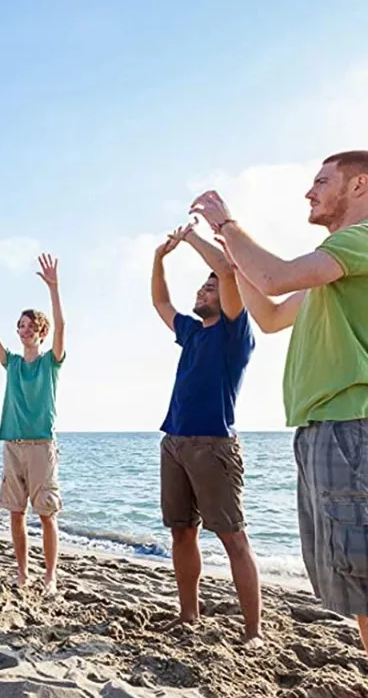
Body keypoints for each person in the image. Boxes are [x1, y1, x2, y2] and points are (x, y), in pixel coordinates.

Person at [191, 150, 368, 654]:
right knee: (356, 578)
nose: (309, 192)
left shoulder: (361, 240)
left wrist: (228, 223)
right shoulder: (335, 267)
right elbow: (268, 314)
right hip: (323, 428)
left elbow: (275, 277)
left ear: (359, 187)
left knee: (365, 574)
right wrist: (231, 257)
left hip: (351, 424)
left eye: (321, 181)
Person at [151, 221, 262, 645]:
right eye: (202, 286)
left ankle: (253, 632)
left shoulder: (236, 334)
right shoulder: (192, 332)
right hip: (174, 442)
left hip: (214, 446)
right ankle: (188, 616)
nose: (202, 290)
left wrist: (192, 238)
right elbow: (160, 300)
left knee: (233, 537)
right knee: (182, 531)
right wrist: (159, 259)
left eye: (209, 288)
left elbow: (229, 273)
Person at [0, 253, 65, 597]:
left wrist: (54, 287)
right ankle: (22, 573)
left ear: (41, 331)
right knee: (16, 513)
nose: (24, 331)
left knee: (47, 515)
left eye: (30, 326)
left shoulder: (51, 362)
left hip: (41, 446)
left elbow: (62, 327)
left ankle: (50, 578)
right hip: (13, 444)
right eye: (20, 326)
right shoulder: (11, 363)